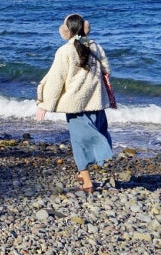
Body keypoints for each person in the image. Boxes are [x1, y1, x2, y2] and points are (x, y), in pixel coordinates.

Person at [35, 13, 113, 193]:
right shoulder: (96, 46)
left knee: (79, 142)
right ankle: (86, 170)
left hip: (75, 105)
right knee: (94, 134)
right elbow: (107, 70)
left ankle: (87, 184)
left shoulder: (65, 51)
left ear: (66, 31)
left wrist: (44, 104)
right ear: (85, 27)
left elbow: (56, 80)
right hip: (96, 102)